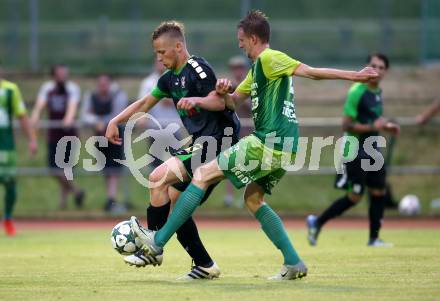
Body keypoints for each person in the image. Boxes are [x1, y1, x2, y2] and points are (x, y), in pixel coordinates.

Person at [121, 10, 379, 280]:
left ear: (254, 39)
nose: (239, 44)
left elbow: (311, 72)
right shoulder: (258, 69)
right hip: (285, 147)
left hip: (267, 142)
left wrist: (355, 76)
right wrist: (221, 91)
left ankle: (157, 241)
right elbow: (233, 101)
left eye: (241, 40)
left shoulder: (270, 57)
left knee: (201, 175)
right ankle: (293, 262)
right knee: (253, 199)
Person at [105, 21, 240, 280]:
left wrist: (198, 100)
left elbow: (220, 100)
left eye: (162, 52)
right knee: (176, 203)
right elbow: (145, 102)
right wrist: (115, 121)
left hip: (219, 139)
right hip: (200, 140)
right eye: (156, 53)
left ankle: (154, 245)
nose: (159, 58)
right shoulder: (168, 80)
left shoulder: (198, 69)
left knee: (157, 177)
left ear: (178, 47)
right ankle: (205, 264)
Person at [307, 53, 400, 247]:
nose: (377, 70)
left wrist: (387, 126)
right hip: (355, 150)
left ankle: (374, 239)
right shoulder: (357, 91)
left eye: (381, 67)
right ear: (367, 67)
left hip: (372, 150)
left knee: (379, 191)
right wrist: (375, 127)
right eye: (374, 65)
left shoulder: (377, 92)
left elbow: (374, 121)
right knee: (355, 197)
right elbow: (346, 125)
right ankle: (317, 222)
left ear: (386, 71)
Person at [31, 64, 85, 210]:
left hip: (69, 136)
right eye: (60, 74)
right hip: (54, 135)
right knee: (54, 169)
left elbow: (72, 107)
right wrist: (35, 116)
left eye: (64, 73)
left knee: (66, 170)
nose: (63, 76)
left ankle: (63, 204)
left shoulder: (72, 88)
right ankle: (76, 191)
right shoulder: (47, 88)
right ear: (53, 75)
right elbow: (39, 106)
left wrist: (68, 118)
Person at [80, 74, 128, 212]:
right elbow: (85, 114)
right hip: (100, 137)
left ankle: (111, 199)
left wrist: (105, 122)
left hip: (116, 135)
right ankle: (110, 199)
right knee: (105, 167)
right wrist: (97, 121)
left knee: (114, 167)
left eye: (105, 84)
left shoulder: (118, 95)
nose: (103, 87)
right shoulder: (92, 96)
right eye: (100, 84)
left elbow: (119, 113)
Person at [0, 61, 37, 236]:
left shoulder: (10, 90)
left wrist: (32, 139)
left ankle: (7, 219)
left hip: (6, 147)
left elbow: (22, 116)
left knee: (10, 183)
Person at [224, 55, 252, 207]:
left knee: (247, 164)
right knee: (230, 163)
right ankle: (228, 197)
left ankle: (245, 196)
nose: (238, 71)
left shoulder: (249, 86)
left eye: (240, 67)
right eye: (235, 68)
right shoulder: (228, 86)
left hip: (247, 130)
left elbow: (252, 108)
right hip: (232, 130)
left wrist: (239, 95)